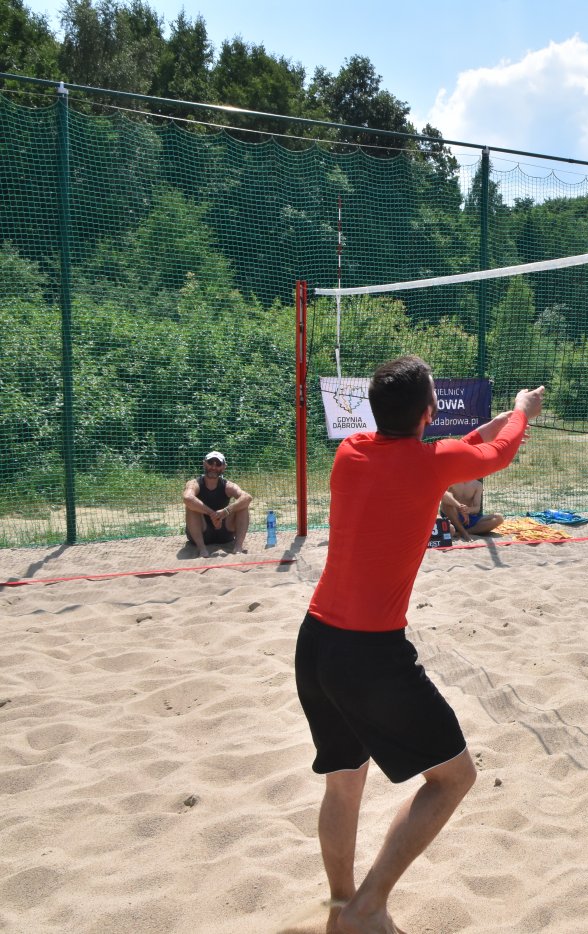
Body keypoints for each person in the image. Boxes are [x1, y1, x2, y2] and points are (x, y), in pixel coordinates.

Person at [295, 354, 544, 934]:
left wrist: (493, 421)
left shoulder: (351, 450)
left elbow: (452, 446)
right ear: (429, 412)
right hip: (371, 657)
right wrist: (522, 412)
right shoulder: (432, 465)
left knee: (344, 780)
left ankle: (342, 907)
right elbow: (496, 453)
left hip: (316, 643)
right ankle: (366, 908)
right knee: (454, 777)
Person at [182, 451, 251, 557]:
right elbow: (187, 497)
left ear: (224, 467)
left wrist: (225, 512)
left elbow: (247, 497)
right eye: (210, 462)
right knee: (191, 507)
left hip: (224, 533)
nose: (213, 467)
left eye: (218, 464)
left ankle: (238, 547)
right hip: (202, 532)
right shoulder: (194, 483)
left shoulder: (228, 486)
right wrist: (212, 514)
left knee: (243, 505)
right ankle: (202, 549)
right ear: (204, 463)